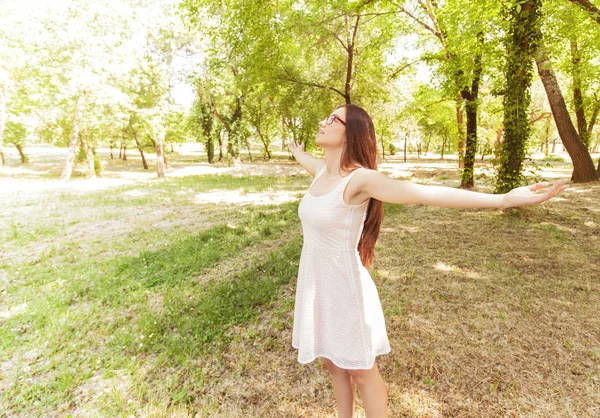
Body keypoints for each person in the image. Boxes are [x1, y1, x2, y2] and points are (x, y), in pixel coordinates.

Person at [286, 104, 568, 418]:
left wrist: (502, 199)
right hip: (317, 285)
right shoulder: (323, 172)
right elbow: (311, 163)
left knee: (362, 371)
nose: (323, 122)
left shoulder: (360, 180)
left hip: (345, 290)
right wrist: (297, 152)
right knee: (332, 361)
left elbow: (423, 193)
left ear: (351, 132)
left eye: (332, 119)